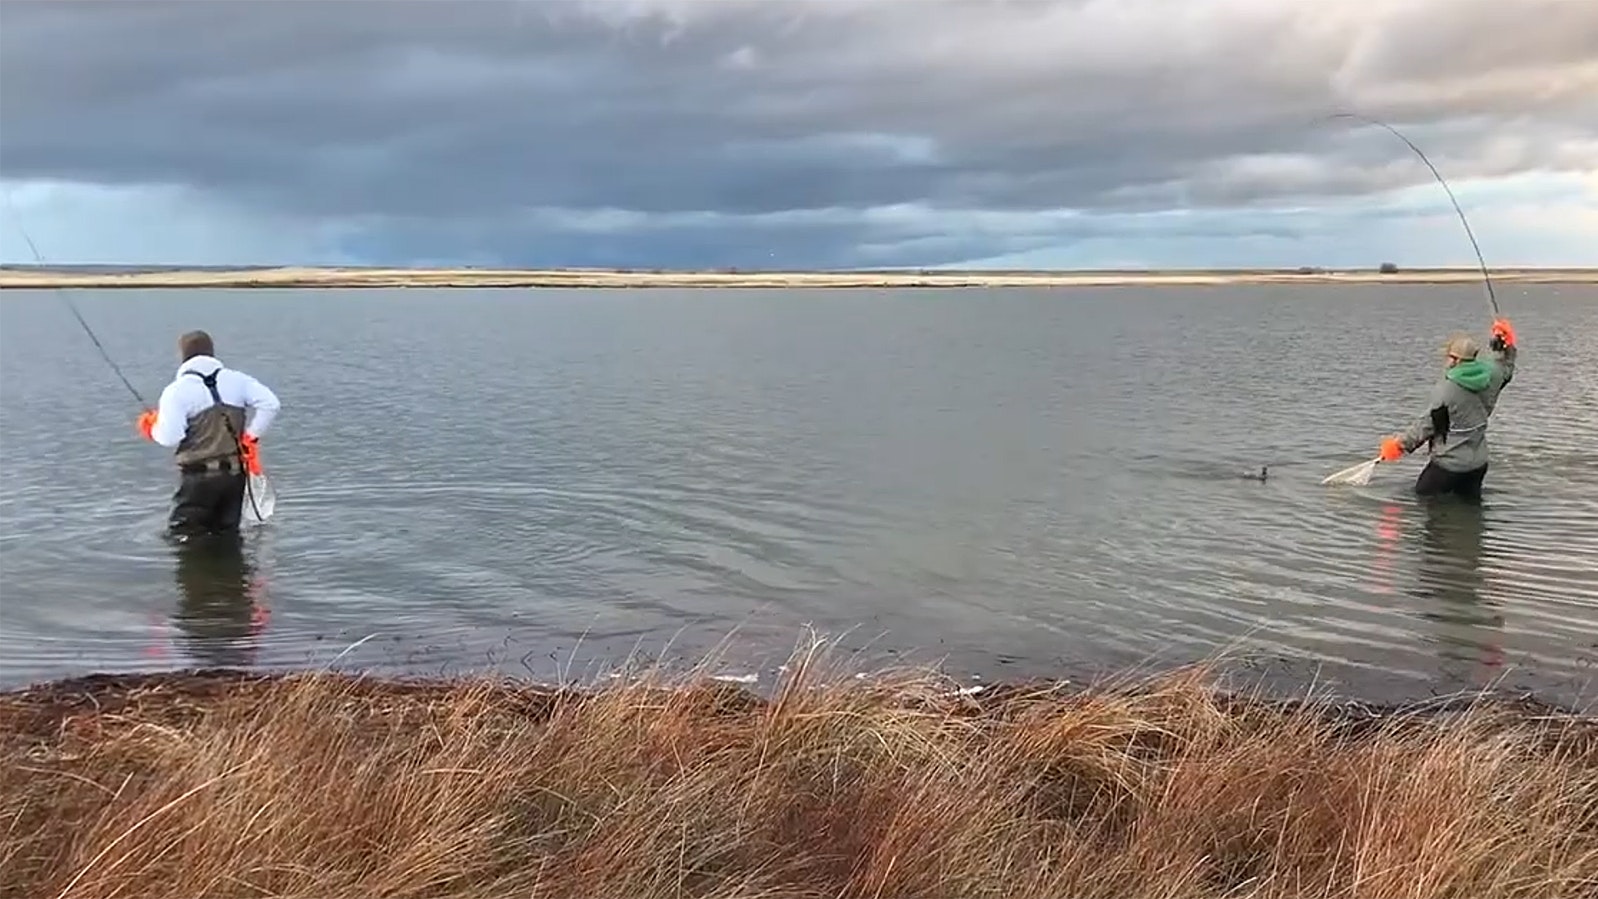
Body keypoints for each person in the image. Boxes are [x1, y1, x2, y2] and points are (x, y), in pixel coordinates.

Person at [137, 330, 280, 536]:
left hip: (199, 479)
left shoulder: (177, 391)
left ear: (182, 356)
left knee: (184, 537)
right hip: (235, 476)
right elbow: (271, 404)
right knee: (228, 535)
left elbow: (170, 438)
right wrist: (250, 436)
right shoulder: (238, 380)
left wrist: (151, 427)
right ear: (212, 353)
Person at [1380, 317, 1517, 503]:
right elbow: (1505, 367)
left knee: (1420, 502)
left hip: (1448, 467)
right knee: (1471, 512)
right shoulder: (1492, 375)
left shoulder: (1447, 390)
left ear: (1455, 360)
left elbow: (1428, 425)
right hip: (1478, 465)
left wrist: (1398, 446)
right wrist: (1506, 345)